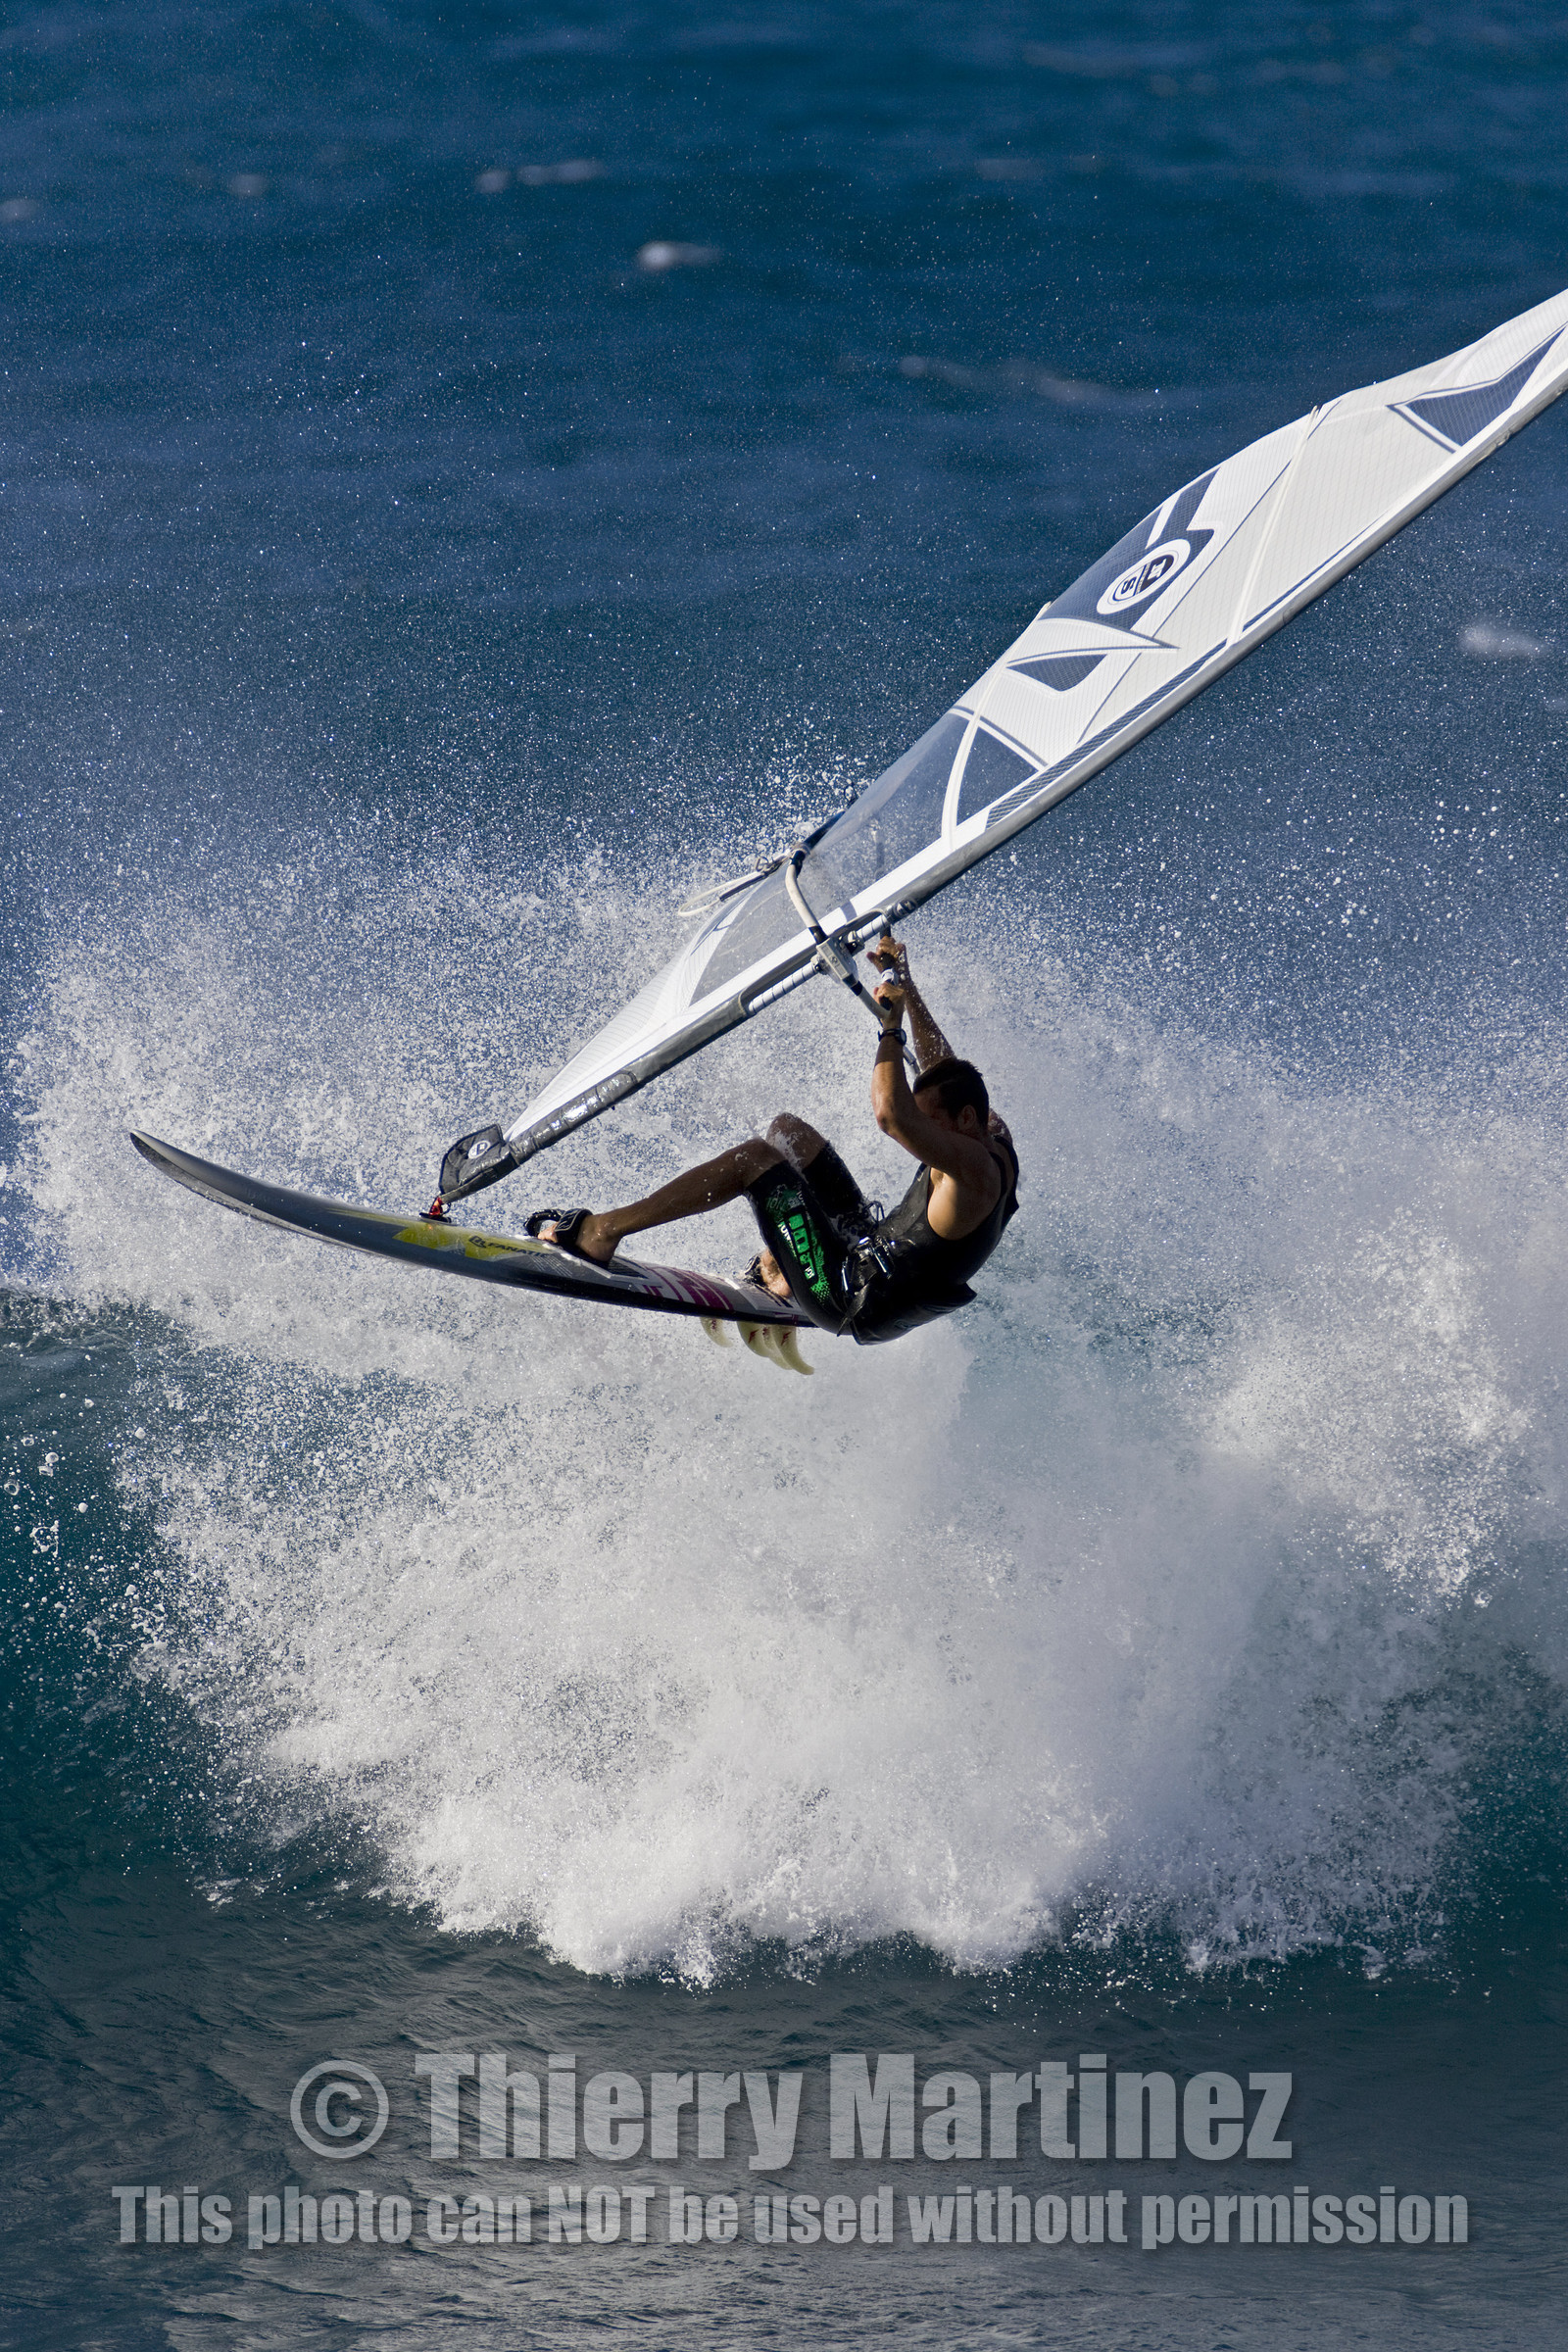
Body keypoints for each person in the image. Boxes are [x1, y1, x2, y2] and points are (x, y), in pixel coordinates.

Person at [528, 935, 1019, 1345]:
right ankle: (788, 1267)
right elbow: (940, 1067)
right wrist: (906, 989)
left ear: (965, 1119)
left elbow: (891, 1116)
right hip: (871, 1252)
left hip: (853, 1298)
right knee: (789, 1134)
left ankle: (601, 1232)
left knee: (755, 1161)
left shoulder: (975, 1175)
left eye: (928, 1120)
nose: (921, 1128)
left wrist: (890, 1030)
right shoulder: (990, 1134)